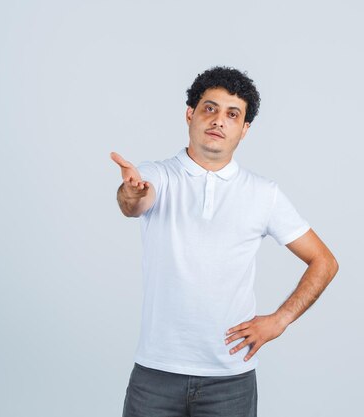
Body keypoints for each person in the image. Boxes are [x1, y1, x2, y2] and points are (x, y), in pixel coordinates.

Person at [110, 66, 339, 417]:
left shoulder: (264, 194)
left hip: (230, 381)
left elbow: (324, 261)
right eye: (210, 108)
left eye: (233, 114)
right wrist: (130, 191)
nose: (219, 120)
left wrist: (279, 320)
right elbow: (135, 202)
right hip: (156, 374)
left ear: (245, 130)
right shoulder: (159, 175)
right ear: (190, 114)